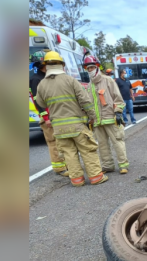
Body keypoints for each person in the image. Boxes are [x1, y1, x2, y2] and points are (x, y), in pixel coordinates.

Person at [35, 51, 108, 187]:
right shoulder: (70, 80)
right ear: (62, 65)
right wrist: (92, 116)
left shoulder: (42, 85)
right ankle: (96, 177)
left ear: (46, 65)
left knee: (69, 153)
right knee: (87, 150)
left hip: (58, 128)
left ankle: (77, 180)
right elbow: (85, 101)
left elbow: (41, 103)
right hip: (77, 126)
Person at [83, 55, 130, 174]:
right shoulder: (89, 85)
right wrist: (90, 118)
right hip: (97, 121)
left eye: (92, 67)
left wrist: (118, 112)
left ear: (97, 67)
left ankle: (123, 164)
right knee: (102, 145)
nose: (90, 70)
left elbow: (118, 98)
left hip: (110, 117)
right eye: (88, 68)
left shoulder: (108, 80)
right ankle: (108, 166)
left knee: (117, 141)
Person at [29, 51, 69, 177]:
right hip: (47, 117)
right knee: (53, 143)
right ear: (41, 64)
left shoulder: (45, 77)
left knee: (60, 141)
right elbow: (38, 101)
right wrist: (46, 118)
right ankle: (59, 168)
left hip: (54, 115)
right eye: (48, 63)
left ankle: (65, 164)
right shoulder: (36, 79)